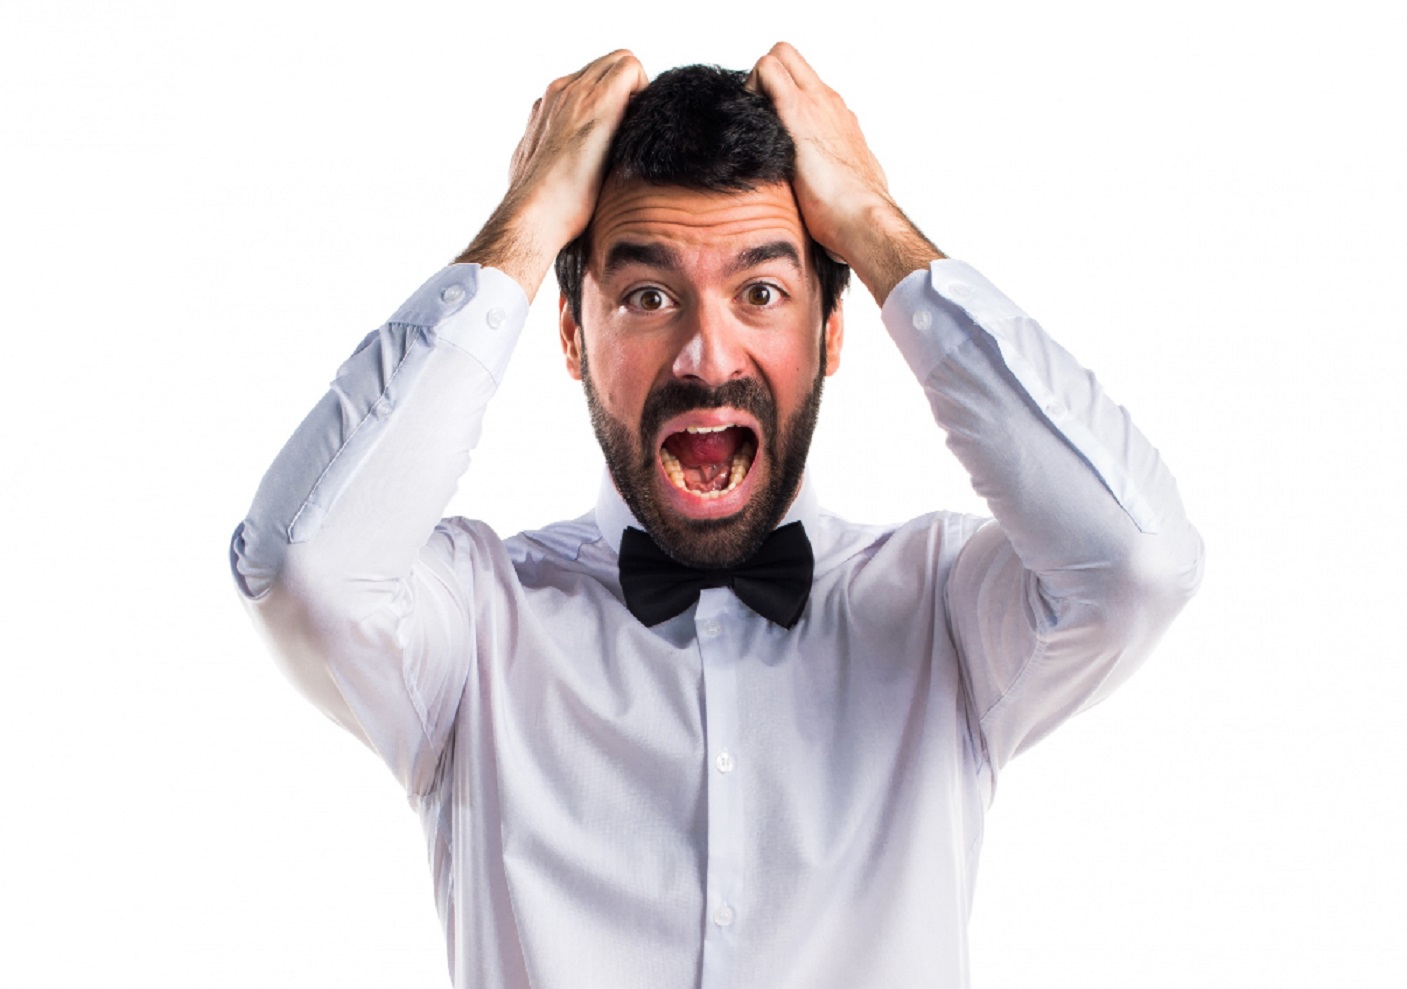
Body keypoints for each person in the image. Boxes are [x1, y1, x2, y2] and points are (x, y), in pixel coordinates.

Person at [231, 43, 1203, 989]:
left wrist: (873, 225)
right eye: (648, 295)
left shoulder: (944, 611)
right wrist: (524, 228)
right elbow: (304, 566)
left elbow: (1138, 563)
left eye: (762, 291)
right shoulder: (475, 629)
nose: (706, 354)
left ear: (831, 330)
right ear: (570, 333)